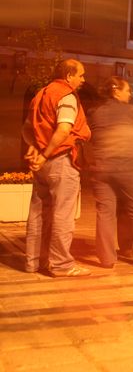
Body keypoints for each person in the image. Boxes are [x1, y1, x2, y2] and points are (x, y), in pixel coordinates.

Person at [21, 59, 92, 277]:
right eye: (80, 75)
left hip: (43, 166)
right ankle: (61, 264)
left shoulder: (41, 94)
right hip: (61, 160)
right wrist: (43, 155)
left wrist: (34, 147)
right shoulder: (66, 96)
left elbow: (25, 128)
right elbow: (63, 130)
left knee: (38, 213)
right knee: (63, 214)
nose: (83, 79)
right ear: (69, 75)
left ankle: (33, 262)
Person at [86, 76, 133, 268]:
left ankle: (107, 259)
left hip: (101, 168)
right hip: (128, 167)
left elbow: (88, 137)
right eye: (127, 90)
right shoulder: (132, 112)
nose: (130, 93)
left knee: (105, 212)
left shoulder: (94, 112)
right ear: (116, 91)